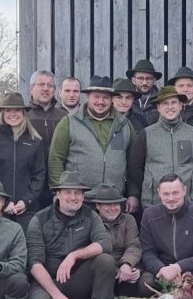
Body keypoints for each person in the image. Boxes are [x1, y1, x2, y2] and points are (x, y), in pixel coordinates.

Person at [25, 171, 116, 299]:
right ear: (58, 194)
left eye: (78, 193)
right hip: (48, 281)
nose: (73, 197)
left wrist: (74, 255)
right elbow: (34, 264)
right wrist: (56, 295)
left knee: (105, 260)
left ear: (83, 196)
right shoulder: (39, 219)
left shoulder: (90, 215)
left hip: (77, 280)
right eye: (68, 192)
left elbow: (104, 244)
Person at [47, 76, 135, 204]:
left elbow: (134, 163)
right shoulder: (69, 123)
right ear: (87, 97)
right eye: (96, 97)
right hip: (79, 199)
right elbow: (56, 159)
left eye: (105, 97)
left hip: (114, 199)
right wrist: (57, 192)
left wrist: (133, 194)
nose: (101, 101)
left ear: (111, 99)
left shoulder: (125, 124)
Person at [126, 86, 193, 210]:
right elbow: (135, 167)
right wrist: (150, 185)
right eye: (165, 103)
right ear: (158, 107)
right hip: (154, 204)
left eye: (174, 103)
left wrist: (191, 186)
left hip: (188, 203)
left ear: (180, 106)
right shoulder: (146, 134)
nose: (170, 107)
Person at [88, 183, 153, 299]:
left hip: (124, 261)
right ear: (97, 205)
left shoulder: (128, 220)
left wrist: (127, 264)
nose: (113, 208)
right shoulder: (91, 221)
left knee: (134, 273)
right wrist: (114, 268)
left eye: (116, 203)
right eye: (107, 205)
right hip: (102, 264)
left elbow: (134, 245)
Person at [0, 92, 49, 232]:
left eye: (17, 110)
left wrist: (26, 201)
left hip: (27, 210)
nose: (13, 114)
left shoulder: (35, 141)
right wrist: (3, 202)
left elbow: (39, 175)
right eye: (8, 110)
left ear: (24, 113)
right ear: (2, 113)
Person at [140, 174, 193, 286]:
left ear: (184, 191)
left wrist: (178, 267)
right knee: (146, 282)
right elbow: (147, 252)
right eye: (166, 194)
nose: (171, 198)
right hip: (162, 270)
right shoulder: (149, 215)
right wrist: (163, 270)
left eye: (175, 193)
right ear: (159, 193)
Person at [26, 70, 69, 144]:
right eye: (41, 84)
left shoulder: (64, 117)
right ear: (31, 89)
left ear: (54, 91)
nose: (46, 89)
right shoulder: (24, 115)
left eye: (50, 85)